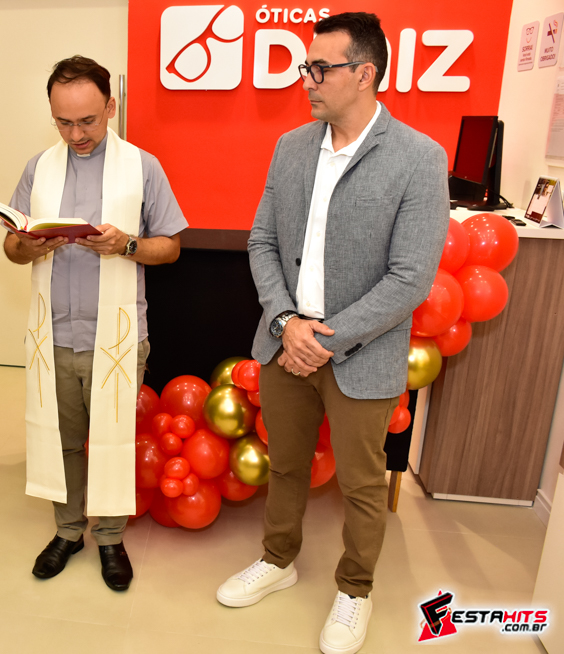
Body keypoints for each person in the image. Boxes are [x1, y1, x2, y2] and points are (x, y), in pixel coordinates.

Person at [218, 13, 449, 654]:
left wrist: (326, 337)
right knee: (287, 465)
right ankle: (278, 559)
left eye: (321, 68)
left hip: (362, 354)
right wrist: (287, 323)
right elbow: (262, 241)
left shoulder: (418, 158)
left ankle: (355, 590)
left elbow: (411, 278)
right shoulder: (292, 146)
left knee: (361, 483)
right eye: (306, 67)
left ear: (365, 73)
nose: (307, 80)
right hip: (284, 344)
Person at [5, 56, 187, 591]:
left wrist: (126, 245)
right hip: (53, 335)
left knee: (111, 439)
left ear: (111, 107)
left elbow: (171, 247)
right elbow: (12, 247)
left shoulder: (143, 167)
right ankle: (67, 531)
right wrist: (28, 245)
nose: (76, 134)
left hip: (118, 336)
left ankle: (109, 536)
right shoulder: (39, 168)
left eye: (87, 120)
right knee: (59, 439)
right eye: (63, 122)